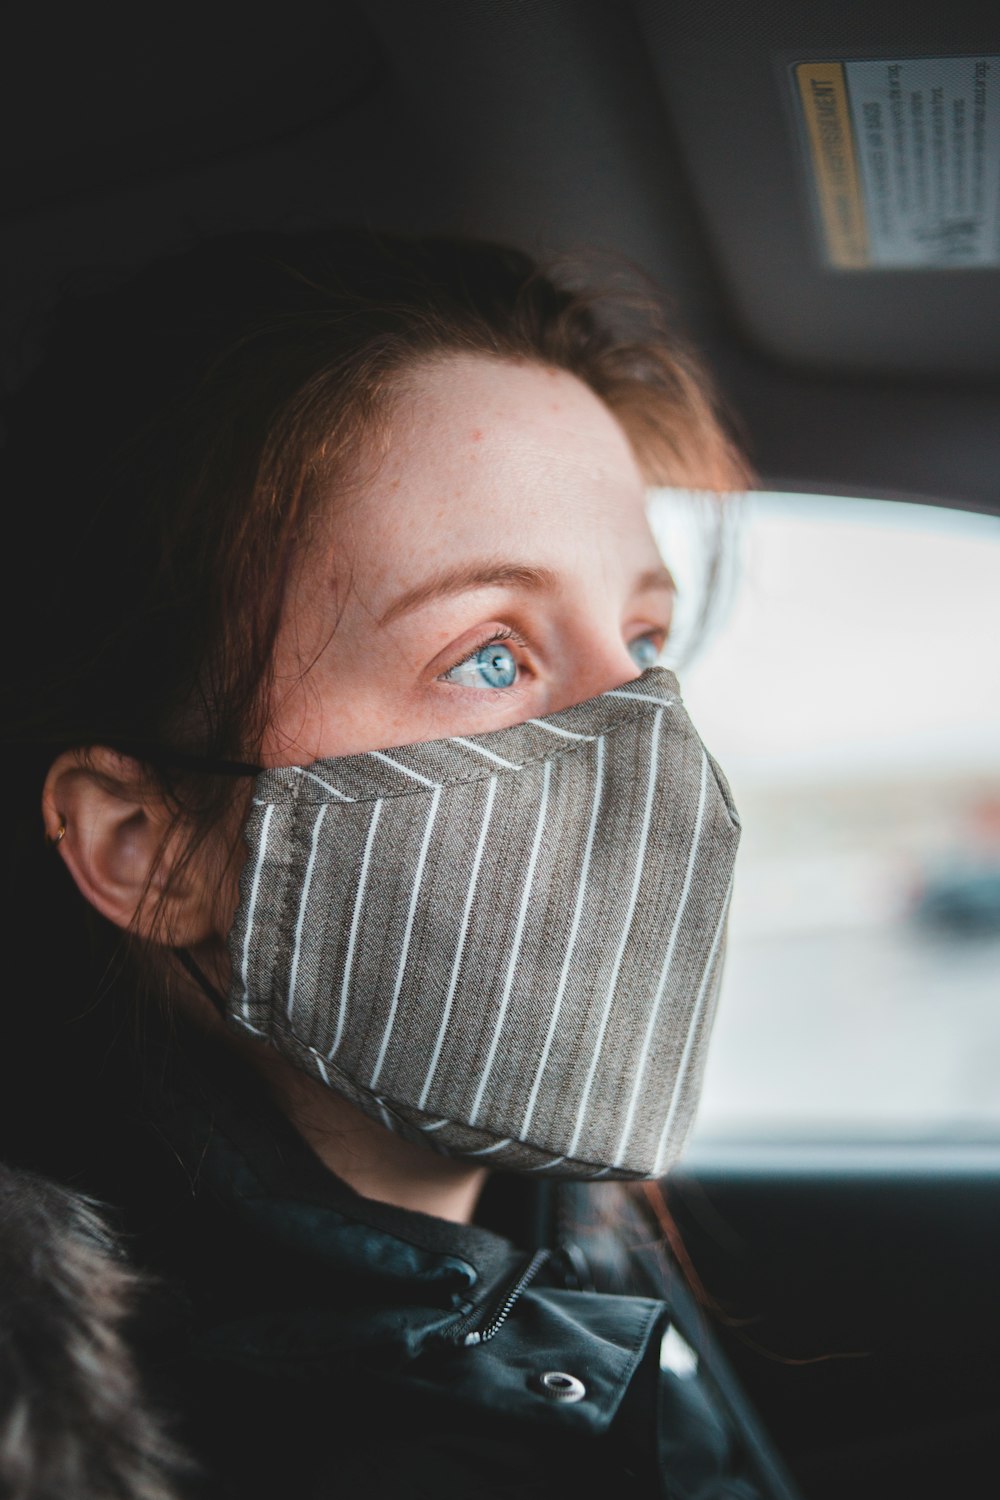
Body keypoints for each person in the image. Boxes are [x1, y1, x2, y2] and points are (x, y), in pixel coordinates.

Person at [0, 230, 797, 1498]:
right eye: (491, 653)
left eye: (643, 635)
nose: (653, 733)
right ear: (146, 849)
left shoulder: (546, 1239)